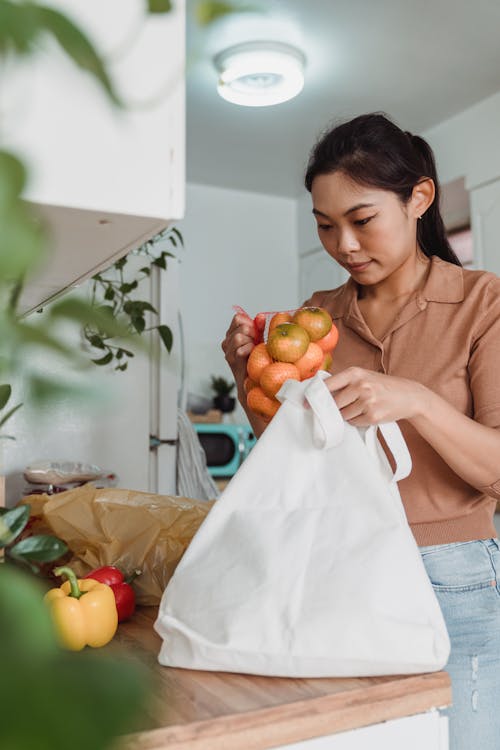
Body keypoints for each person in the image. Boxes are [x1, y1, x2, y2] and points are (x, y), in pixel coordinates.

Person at [222, 112, 500, 750]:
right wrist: (250, 378)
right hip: (337, 563)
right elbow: (292, 458)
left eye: (362, 219)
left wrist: (418, 402)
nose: (344, 243)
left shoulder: (483, 303)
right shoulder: (318, 316)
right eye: (325, 225)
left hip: (451, 575)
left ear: (418, 198)